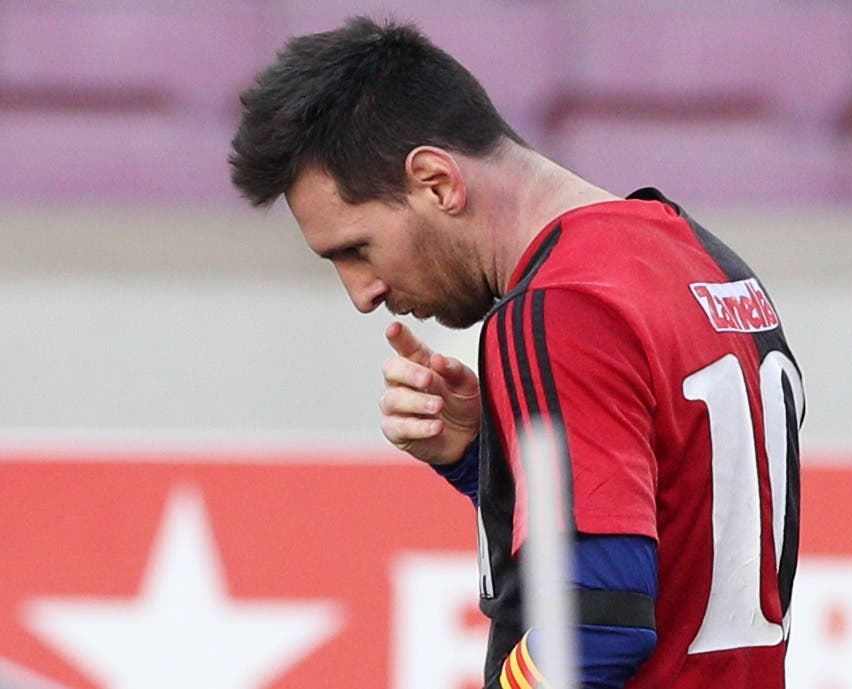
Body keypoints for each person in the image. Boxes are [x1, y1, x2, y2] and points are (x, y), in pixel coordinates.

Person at [229, 16, 805, 689]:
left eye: (356, 249)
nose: (362, 293)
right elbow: (681, 530)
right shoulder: (704, 260)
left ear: (436, 181)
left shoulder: (559, 306)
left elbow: (590, 632)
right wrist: (489, 457)